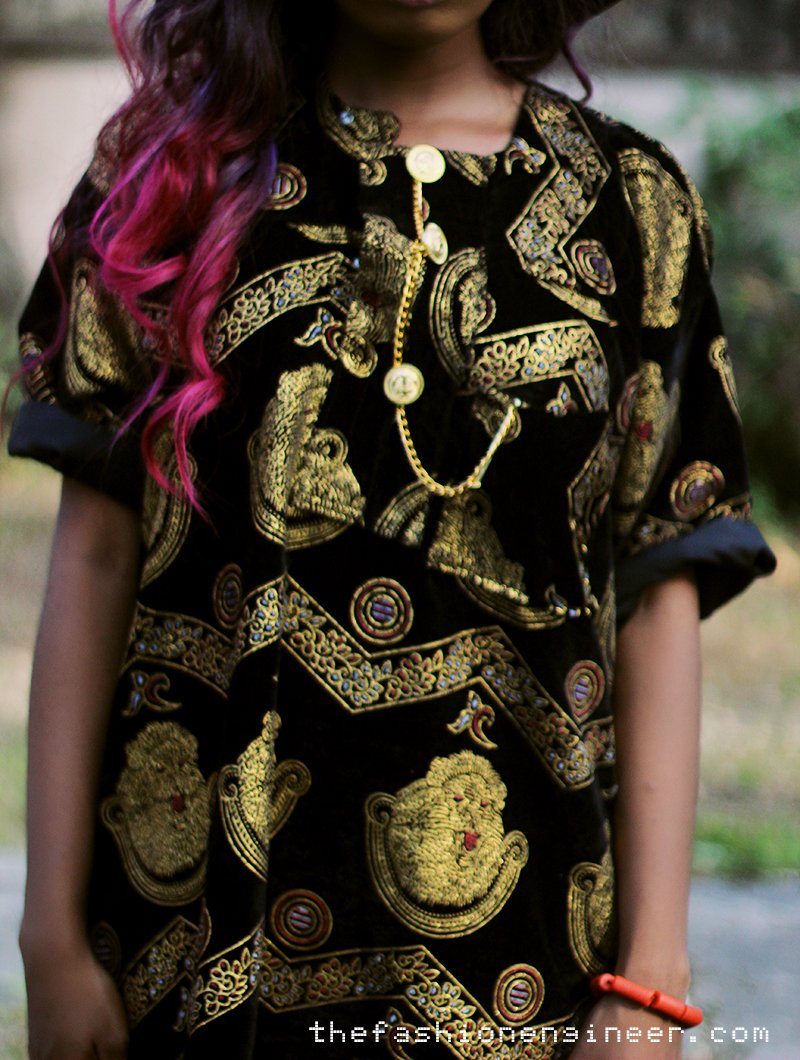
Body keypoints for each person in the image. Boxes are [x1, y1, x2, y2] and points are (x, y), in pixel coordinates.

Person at [8, 0, 776, 1057]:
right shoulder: (173, 184)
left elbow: (658, 587)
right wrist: (50, 937)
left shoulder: (630, 205)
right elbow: (94, 555)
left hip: (520, 969)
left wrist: (650, 977)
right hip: (192, 960)